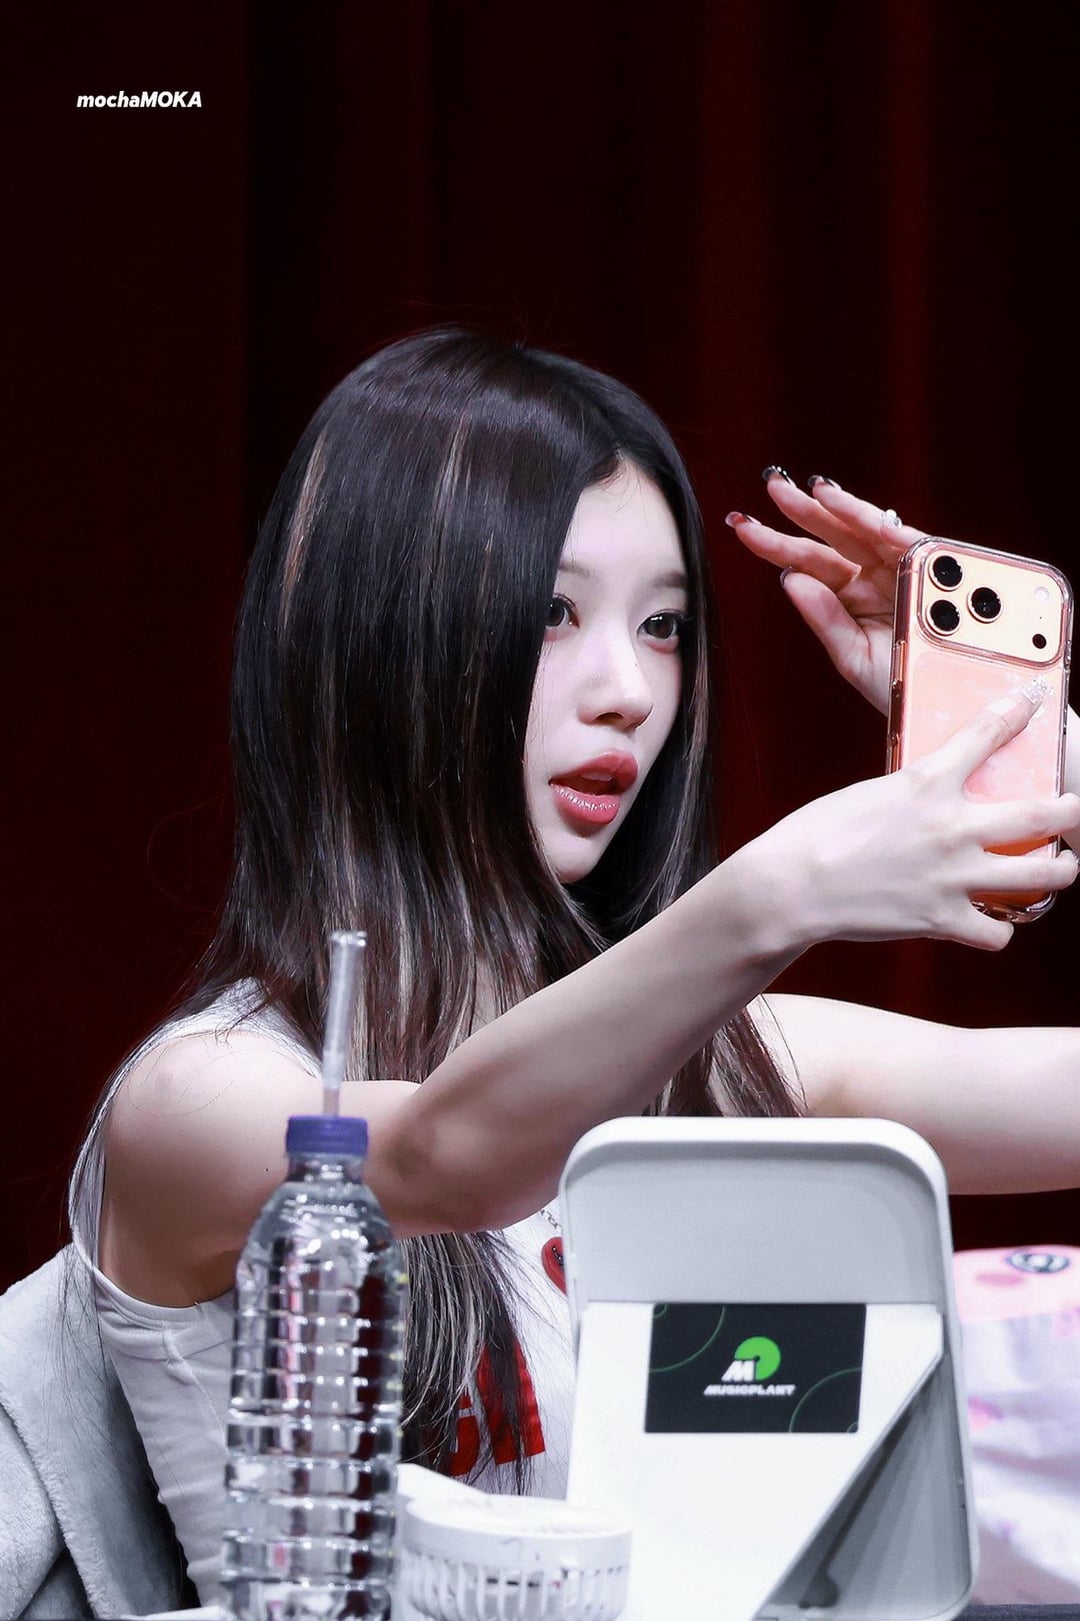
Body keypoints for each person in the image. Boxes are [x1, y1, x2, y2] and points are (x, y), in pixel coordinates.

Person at [67, 325, 1080, 1604]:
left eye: (663, 625)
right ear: (381, 635)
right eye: (555, 612)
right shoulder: (200, 1096)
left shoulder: (730, 1061)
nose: (629, 692)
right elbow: (444, 1157)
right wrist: (776, 893)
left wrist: (1033, 751)